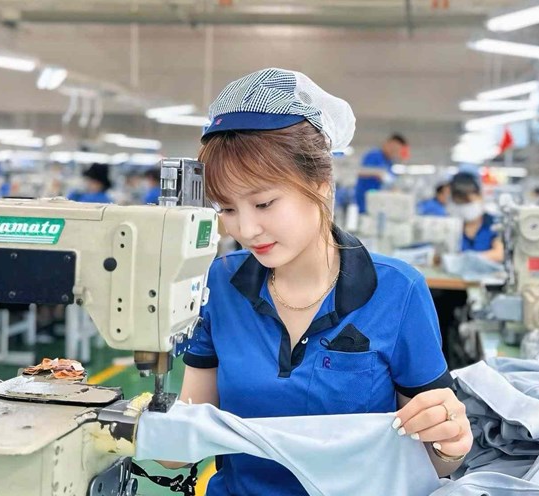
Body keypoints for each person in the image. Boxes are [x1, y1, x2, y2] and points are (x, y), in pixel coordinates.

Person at [159, 68, 473, 495]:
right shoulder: (223, 281)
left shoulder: (397, 292)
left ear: (321, 185)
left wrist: (452, 444)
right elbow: (186, 436)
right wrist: (140, 425)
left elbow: (433, 461)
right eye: (227, 209)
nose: (246, 230)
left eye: (264, 202)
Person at [449, 172, 504, 263]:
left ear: (480, 197)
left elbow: (499, 254)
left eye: (468, 202)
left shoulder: (494, 223)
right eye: (460, 203)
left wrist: (465, 260)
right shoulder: (451, 226)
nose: (465, 207)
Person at [354, 133, 409, 214]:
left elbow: (391, 182)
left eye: (397, 150)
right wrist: (378, 173)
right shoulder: (374, 155)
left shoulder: (389, 163)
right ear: (386, 143)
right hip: (364, 201)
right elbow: (360, 171)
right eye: (393, 148)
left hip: (378, 205)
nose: (393, 152)